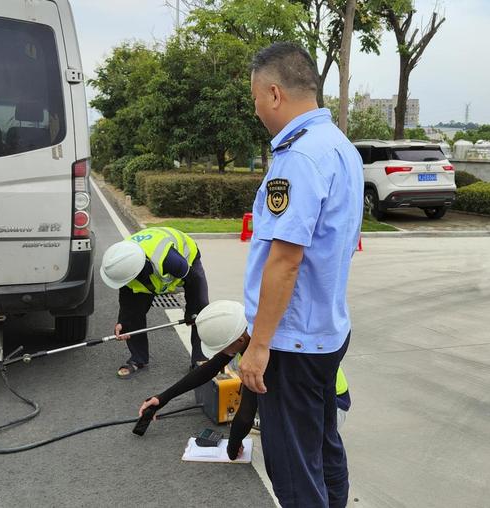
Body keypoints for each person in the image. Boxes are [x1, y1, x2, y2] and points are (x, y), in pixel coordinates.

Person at [238, 42, 363, 508]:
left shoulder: (298, 158)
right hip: (327, 330)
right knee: (323, 443)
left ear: (274, 93)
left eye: (254, 99)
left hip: (292, 341)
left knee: (293, 465)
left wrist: (259, 344)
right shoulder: (340, 147)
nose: (256, 111)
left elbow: (285, 260)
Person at [138, 300, 351, 460]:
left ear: (239, 340)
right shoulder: (252, 327)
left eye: (222, 347)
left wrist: (233, 445)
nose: (220, 353)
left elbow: (246, 414)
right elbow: (208, 369)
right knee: (255, 388)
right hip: (319, 393)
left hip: (329, 410)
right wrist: (162, 398)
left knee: (279, 444)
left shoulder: (263, 357)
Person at [101, 226, 209, 378]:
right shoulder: (122, 263)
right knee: (132, 316)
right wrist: (123, 322)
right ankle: (138, 359)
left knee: (200, 310)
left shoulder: (170, 260)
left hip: (186, 260)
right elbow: (127, 300)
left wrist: (191, 310)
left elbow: (193, 281)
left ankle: (200, 359)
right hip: (147, 267)